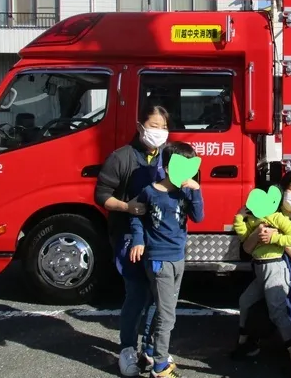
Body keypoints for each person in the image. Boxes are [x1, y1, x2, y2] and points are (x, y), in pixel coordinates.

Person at [94, 104, 170, 377]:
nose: (159, 132)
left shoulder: (169, 157)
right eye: (153, 126)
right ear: (140, 127)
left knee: (157, 296)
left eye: (163, 127)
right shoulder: (121, 157)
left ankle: (149, 348)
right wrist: (127, 207)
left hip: (161, 240)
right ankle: (127, 348)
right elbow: (102, 194)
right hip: (128, 236)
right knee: (137, 293)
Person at [129, 141, 204, 378]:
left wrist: (196, 190)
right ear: (168, 166)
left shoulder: (185, 191)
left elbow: (199, 217)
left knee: (159, 305)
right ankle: (160, 365)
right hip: (158, 259)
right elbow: (136, 218)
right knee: (167, 312)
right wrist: (138, 240)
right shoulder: (150, 192)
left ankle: (149, 349)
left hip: (178, 256)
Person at [239, 171, 291, 363]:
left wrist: (279, 239)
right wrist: (256, 235)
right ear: (281, 192)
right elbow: (245, 251)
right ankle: (248, 341)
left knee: (284, 315)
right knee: (251, 308)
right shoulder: (262, 214)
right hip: (264, 276)